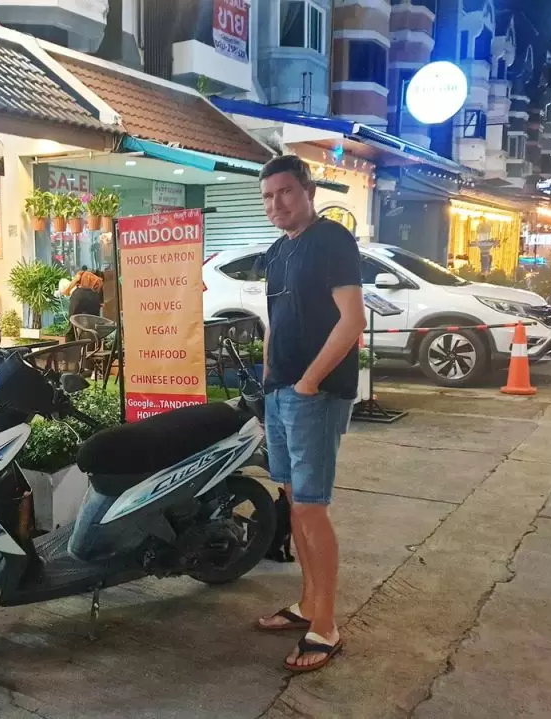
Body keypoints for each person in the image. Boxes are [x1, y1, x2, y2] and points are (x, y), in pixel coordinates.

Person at [252, 155, 366, 673]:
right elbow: (275, 323)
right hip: (280, 392)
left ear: (308, 191)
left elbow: (352, 320)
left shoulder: (331, 240)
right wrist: (269, 380)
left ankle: (326, 626)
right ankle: (307, 604)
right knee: (294, 502)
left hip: (313, 396)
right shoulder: (278, 252)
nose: (276, 204)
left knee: (312, 507)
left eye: (285, 192)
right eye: (268, 196)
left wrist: (309, 381)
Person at [61, 266, 103, 340]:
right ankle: (92, 344)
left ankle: (71, 344)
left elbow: (67, 290)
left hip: (79, 296)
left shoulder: (80, 274)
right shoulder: (97, 280)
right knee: (92, 325)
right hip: (94, 297)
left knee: (72, 324)